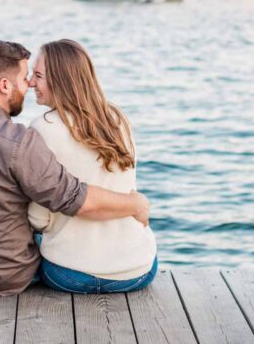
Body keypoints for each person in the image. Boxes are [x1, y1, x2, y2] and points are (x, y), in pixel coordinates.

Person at [0, 39, 150, 297]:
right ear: (4, 85)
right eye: (25, 78)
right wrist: (136, 204)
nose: (29, 84)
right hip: (7, 277)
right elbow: (73, 198)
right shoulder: (19, 140)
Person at [27, 39, 157, 294]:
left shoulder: (43, 128)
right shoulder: (117, 119)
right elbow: (128, 194)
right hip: (138, 270)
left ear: (60, 80)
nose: (30, 82)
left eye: (38, 76)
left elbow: (38, 218)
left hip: (70, 274)